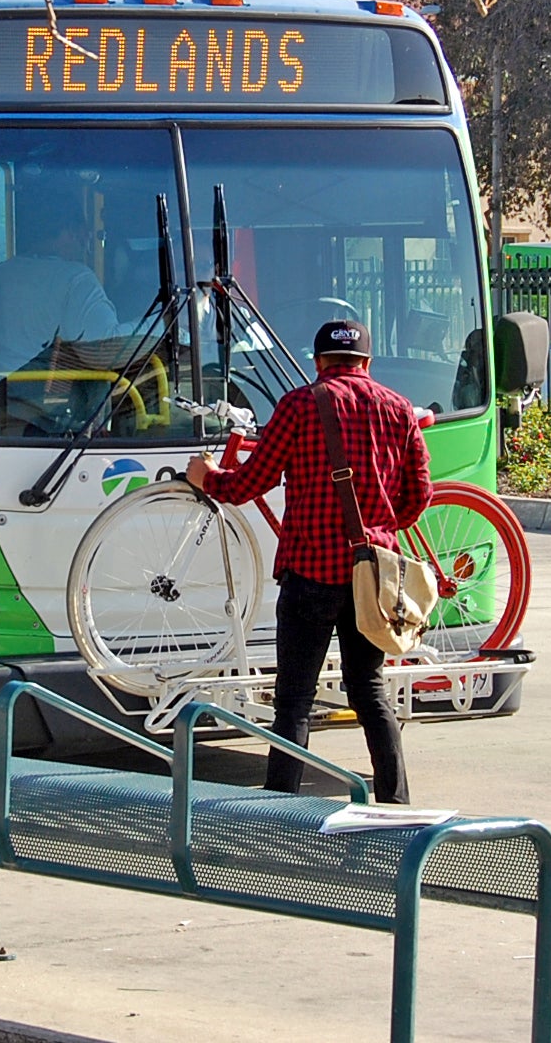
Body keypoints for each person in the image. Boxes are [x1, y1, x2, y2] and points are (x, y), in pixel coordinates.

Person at [185, 318, 431, 801]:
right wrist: (379, 529)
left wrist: (206, 477)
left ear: (318, 363)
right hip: (371, 577)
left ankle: (281, 807)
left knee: (294, 702)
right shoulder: (399, 410)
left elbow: (247, 485)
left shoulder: (300, 405)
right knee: (370, 691)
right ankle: (396, 806)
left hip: (309, 574)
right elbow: (419, 494)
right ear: (366, 362)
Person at [0, 194, 120, 376]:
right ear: (72, 231)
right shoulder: (76, 279)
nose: (88, 240)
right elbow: (105, 348)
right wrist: (156, 325)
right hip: (43, 400)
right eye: (85, 231)